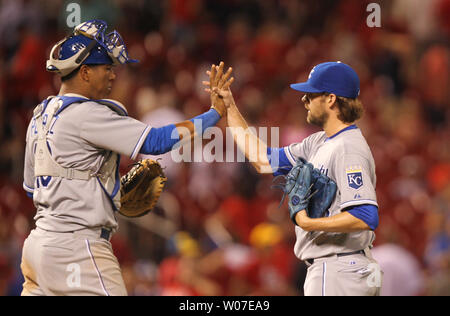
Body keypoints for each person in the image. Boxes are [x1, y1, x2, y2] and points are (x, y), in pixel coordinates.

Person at [20, 19, 232, 296]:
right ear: (84, 72)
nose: (112, 76)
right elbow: (156, 141)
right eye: (107, 68)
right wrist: (213, 114)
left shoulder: (39, 116)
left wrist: (100, 190)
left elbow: (31, 189)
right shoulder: (87, 114)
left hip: (37, 248)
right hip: (77, 250)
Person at [207, 61, 383, 296]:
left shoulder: (348, 148)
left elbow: (365, 216)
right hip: (340, 269)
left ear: (331, 99)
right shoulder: (318, 142)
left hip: (339, 270)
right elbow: (263, 160)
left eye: (311, 95)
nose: (304, 100)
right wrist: (229, 108)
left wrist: (308, 223)